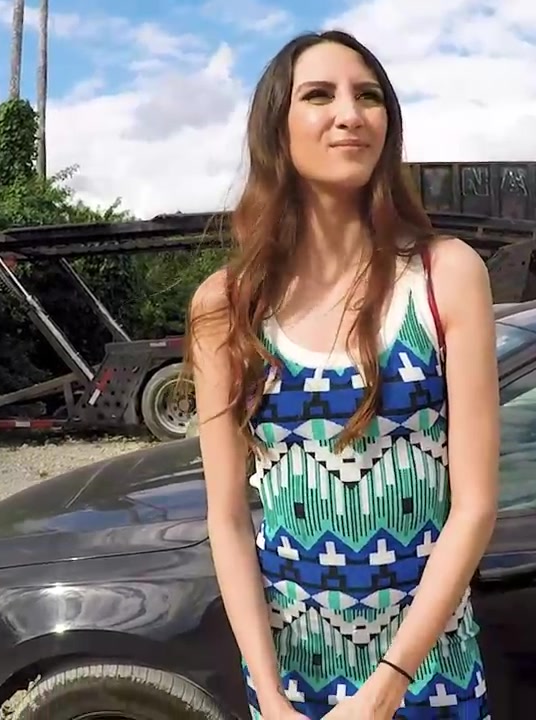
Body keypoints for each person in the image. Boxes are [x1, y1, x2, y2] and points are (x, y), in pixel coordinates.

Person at [185, 29, 500, 720]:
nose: (350, 114)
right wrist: (270, 696)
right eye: (319, 95)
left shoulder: (444, 276)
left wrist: (386, 688)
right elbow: (228, 519)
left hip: (428, 678)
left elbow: (474, 506)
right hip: (292, 686)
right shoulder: (227, 305)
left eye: (369, 96)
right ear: (277, 126)